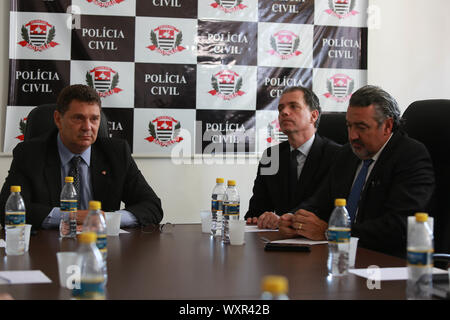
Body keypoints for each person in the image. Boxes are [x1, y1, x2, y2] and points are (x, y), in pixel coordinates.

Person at [279, 85, 435, 257]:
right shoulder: (346, 154)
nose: (352, 136)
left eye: (361, 127)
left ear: (388, 126)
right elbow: (318, 202)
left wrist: (331, 232)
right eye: (349, 126)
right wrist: (292, 219)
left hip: (385, 261)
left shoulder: (410, 156)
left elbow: (398, 226)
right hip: (340, 256)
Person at [0, 84, 163, 230]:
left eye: (94, 119)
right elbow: (6, 209)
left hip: (101, 246)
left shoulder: (117, 153)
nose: (87, 127)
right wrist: (70, 217)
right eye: (78, 118)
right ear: (58, 119)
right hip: (47, 249)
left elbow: (152, 206)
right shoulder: (30, 154)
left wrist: (106, 218)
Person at [245, 86, 341, 229]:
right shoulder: (272, 156)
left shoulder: (336, 155)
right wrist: (260, 218)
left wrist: (284, 219)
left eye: (294, 106)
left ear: (313, 116)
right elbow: (256, 210)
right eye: (280, 108)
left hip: (319, 241)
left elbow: (322, 204)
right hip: (278, 241)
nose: (284, 112)